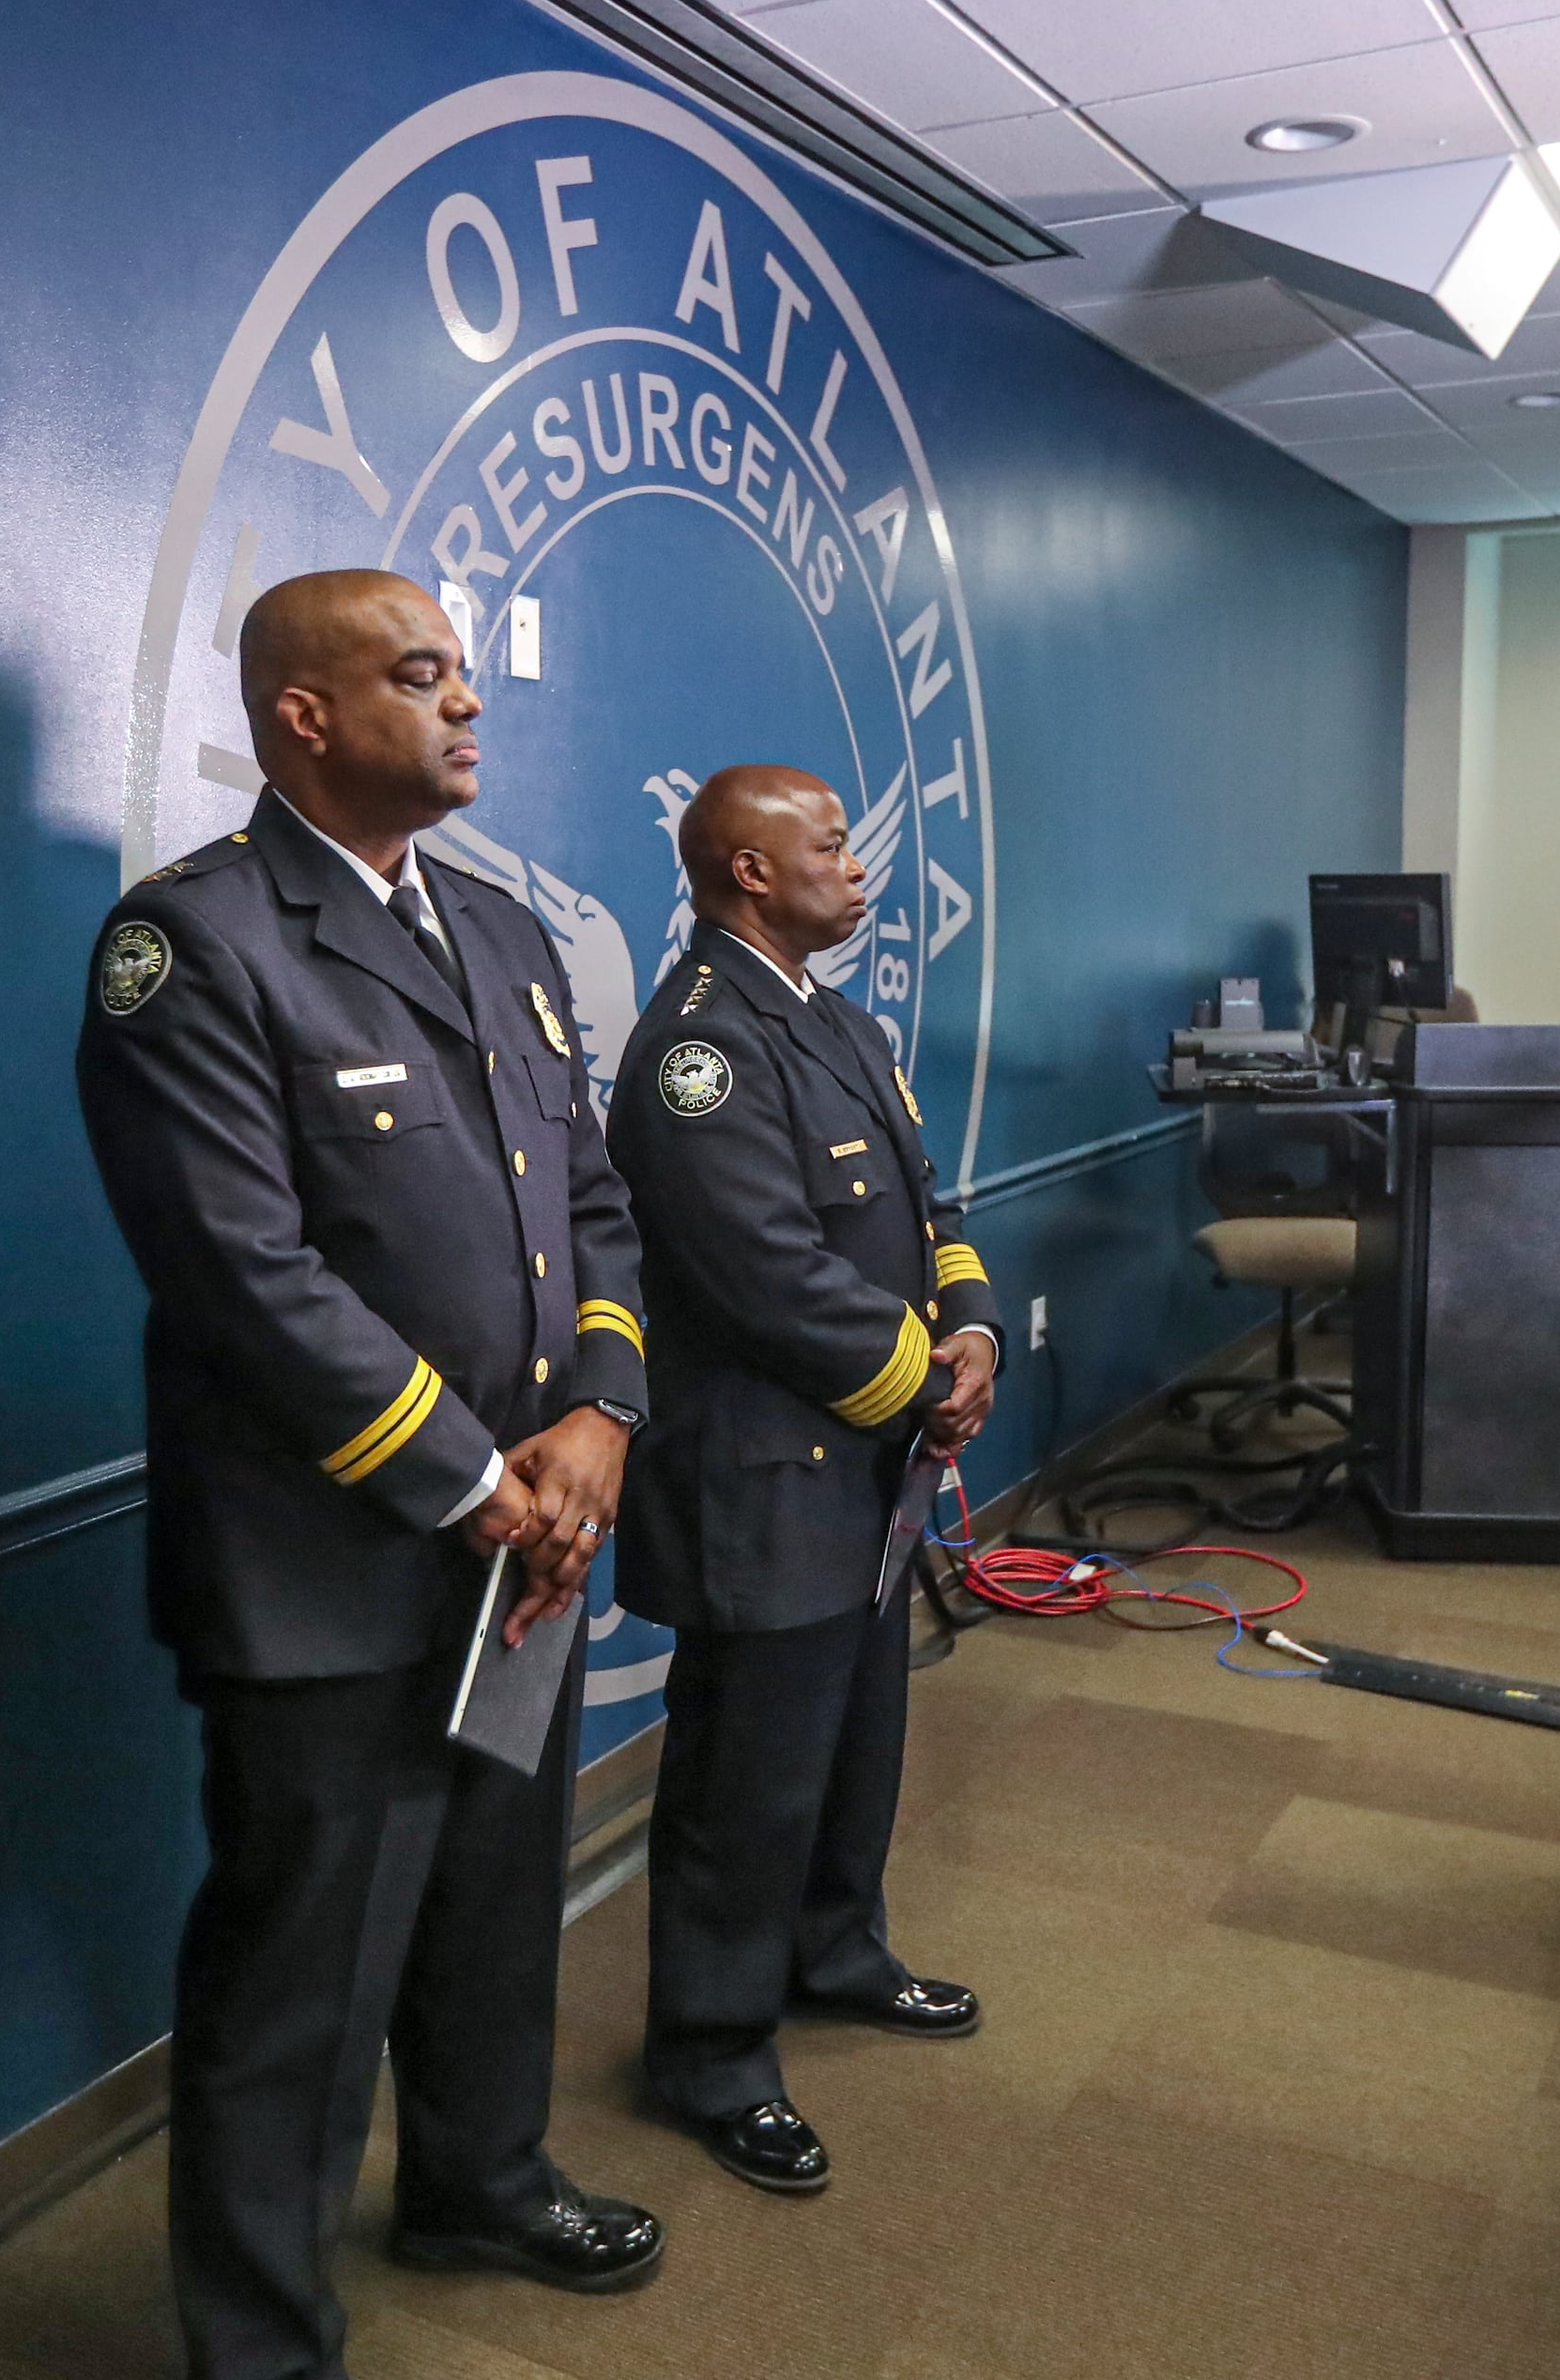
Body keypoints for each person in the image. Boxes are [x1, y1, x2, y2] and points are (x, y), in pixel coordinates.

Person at [73, 568, 661, 2378]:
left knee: (497, 1898)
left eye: (467, 675)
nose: (467, 704)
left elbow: (592, 1204)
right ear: (305, 716)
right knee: (303, 1973)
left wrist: (602, 1416)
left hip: (526, 1546)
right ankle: (258, 2338)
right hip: (332, 1563)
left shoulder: (498, 930)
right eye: (422, 677)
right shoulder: (198, 945)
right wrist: (482, 1479)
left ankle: (480, 2178)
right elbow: (244, 1273)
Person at [605, 764, 998, 2193]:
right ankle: (709, 2051)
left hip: (868, 1468)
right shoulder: (700, 1048)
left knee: (854, 1742)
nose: (857, 859)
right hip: (767, 1474)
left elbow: (924, 1202)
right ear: (749, 873)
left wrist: (970, 1327)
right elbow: (763, 1275)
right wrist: (921, 1393)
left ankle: (835, 1951)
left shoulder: (840, 1021)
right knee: (745, 1784)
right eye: (827, 843)